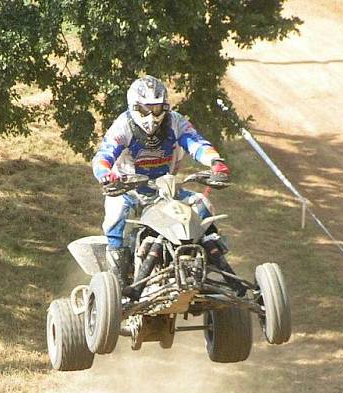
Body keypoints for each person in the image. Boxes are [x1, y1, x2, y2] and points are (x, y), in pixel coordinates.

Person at [91, 75, 240, 295]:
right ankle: (118, 282)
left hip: (165, 190)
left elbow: (196, 143)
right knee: (115, 216)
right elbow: (104, 154)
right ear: (134, 107)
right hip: (126, 188)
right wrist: (105, 173)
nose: (152, 115)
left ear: (165, 106)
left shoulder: (175, 121)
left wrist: (215, 162)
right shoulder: (123, 126)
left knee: (202, 205)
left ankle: (212, 264)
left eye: (157, 108)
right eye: (145, 109)